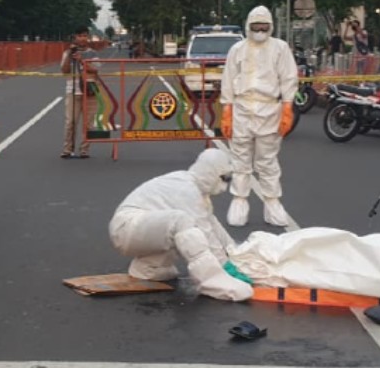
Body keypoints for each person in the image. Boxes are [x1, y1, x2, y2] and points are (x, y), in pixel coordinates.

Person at [108, 147, 253, 302]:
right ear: (213, 173)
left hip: (136, 228)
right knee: (183, 222)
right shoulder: (187, 189)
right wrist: (224, 267)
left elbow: (213, 225)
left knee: (181, 231)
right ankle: (211, 280)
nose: (226, 184)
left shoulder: (195, 189)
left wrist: (236, 253)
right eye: (224, 178)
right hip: (127, 227)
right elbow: (205, 232)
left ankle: (149, 267)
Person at [219, 6, 298, 228]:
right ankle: (239, 200)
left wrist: (287, 109)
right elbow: (228, 79)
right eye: (256, 26)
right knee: (240, 159)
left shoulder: (280, 49)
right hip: (242, 110)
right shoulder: (237, 49)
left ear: (270, 26)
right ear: (249, 26)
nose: (260, 30)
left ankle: (272, 203)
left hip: (270, 111)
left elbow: (288, 78)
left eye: (264, 26)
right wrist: (226, 111)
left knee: (267, 161)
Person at [60, 25, 99, 158]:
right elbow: (64, 70)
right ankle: (67, 149)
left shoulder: (92, 53)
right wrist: (70, 56)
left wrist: (81, 60)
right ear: (75, 37)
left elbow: (95, 69)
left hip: (90, 90)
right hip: (73, 90)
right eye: (80, 36)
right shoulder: (68, 52)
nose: (82, 38)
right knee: (70, 122)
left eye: (85, 36)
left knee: (88, 123)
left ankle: (84, 150)